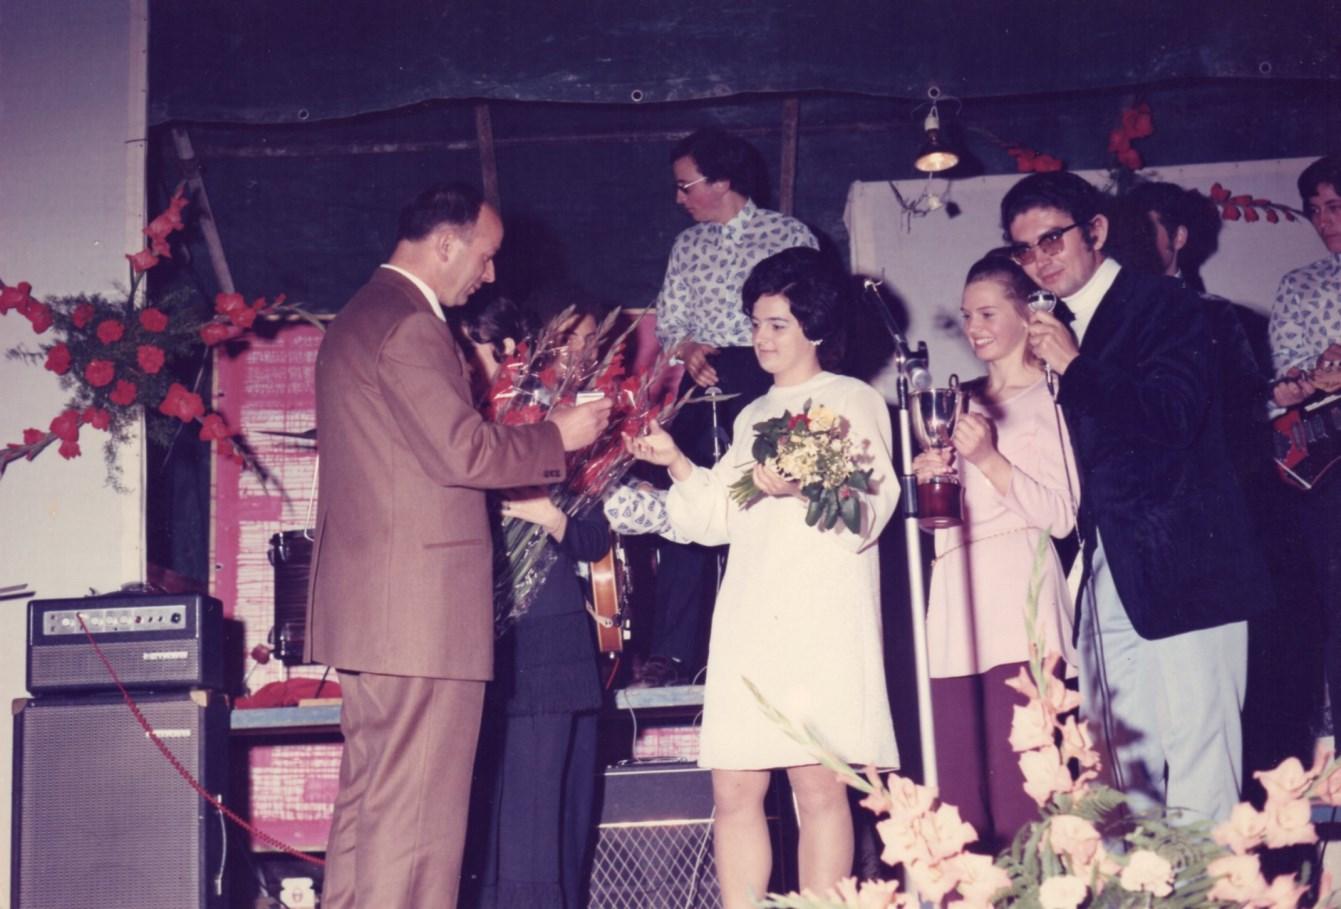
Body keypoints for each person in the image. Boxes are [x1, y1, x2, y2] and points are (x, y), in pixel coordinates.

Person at [305, 183, 612, 909]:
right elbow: (463, 451)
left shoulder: (357, 318)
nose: (490, 274)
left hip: (378, 617)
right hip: (421, 621)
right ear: (445, 243)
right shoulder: (412, 325)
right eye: (485, 255)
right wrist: (558, 436)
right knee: (417, 828)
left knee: (370, 814)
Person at [627, 247, 900, 906]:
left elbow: (868, 513)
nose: (761, 337)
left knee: (817, 785)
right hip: (751, 616)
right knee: (733, 788)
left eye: (777, 323)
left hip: (819, 617)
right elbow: (715, 516)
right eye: (755, 323)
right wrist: (676, 461)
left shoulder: (853, 399)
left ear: (815, 326)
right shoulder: (751, 416)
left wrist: (803, 485)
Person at [1005, 171, 1273, 823]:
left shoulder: (1168, 306)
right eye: (1025, 249)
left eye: (1052, 239)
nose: (1039, 259)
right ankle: (1139, 879)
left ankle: (1210, 881)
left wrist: (1076, 366)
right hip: (1111, 566)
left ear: (1095, 231)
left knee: (1199, 751)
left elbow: (1173, 416)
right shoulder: (1061, 326)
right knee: (1119, 763)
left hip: (1190, 563)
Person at [910, 254, 1078, 851]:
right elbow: (943, 524)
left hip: (1020, 600)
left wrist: (987, 459)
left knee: (1024, 788)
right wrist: (933, 481)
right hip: (955, 600)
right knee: (959, 792)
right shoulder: (961, 401)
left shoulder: (1053, 395)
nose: (973, 328)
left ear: (1027, 314)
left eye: (987, 313)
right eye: (966, 316)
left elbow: (1062, 513)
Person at [643, 127, 819, 685]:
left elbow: (816, 314)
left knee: (767, 501)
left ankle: (779, 638)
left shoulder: (787, 235)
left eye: (686, 185)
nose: (679, 197)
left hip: (771, 379)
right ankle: (673, 654)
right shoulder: (686, 245)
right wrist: (687, 349)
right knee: (688, 496)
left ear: (721, 181)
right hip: (704, 380)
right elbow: (670, 324)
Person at [459, 296, 609, 909]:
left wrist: (549, 516)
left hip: (550, 643)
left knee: (548, 818)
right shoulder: (460, 429)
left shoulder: (562, 425)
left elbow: (594, 539)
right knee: (495, 819)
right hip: (480, 644)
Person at [1268, 154, 1341, 740]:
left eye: (1335, 206)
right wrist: (1304, 381)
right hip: (1329, 466)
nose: (1324, 221)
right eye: (1315, 211)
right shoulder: (1300, 284)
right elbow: (1283, 378)